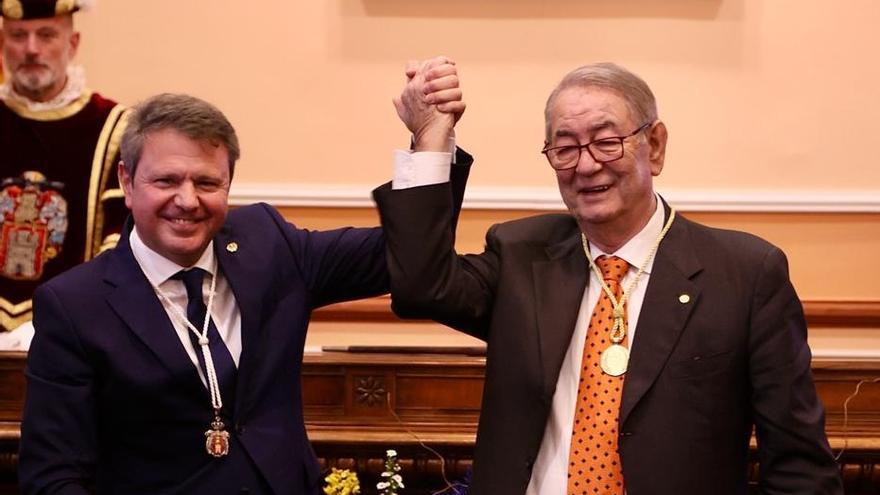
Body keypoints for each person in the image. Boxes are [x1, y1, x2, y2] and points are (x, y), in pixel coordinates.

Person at [374, 62, 843, 494]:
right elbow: (420, 286)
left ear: (654, 146)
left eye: (606, 141)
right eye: (565, 147)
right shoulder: (521, 256)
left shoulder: (744, 274)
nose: (585, 164)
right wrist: (432, 138)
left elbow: (801, 466)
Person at [20, 77, 467, 494]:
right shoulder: (76, 305)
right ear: (127, 181)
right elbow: (54, 475)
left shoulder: (267, 243)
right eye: (167, 180)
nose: (188, 200)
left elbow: (402, 253)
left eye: (207, 182)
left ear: (229, 183)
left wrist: (429, 142)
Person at [0, 0, 128, 347]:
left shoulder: (114, 126)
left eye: (46, 35)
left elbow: (122, 237)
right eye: (17, 35)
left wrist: (73, 314)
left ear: (72, 44)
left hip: (75, 332)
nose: (31, 49)